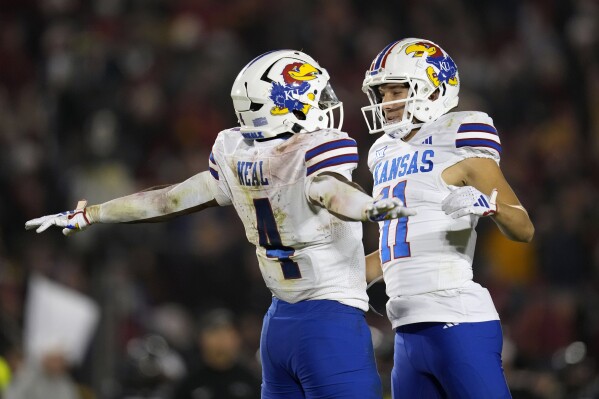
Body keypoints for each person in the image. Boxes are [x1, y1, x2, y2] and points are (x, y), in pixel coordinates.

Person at [25, 50, 416, 398]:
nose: (328, 104)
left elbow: (166, 200)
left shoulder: (238, 153)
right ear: (285, 105)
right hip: (329, 328)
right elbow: (328, 189)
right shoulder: (312, 152)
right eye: (317, 95)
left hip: (278, 326)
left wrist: (92, 213)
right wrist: (370, 207)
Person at [360, 38, 535, 398]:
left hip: (458, 321)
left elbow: (524, 228)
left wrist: (492, 207)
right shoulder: (382, 154)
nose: (387, 102)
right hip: (407, 330)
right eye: (382, 93)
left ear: (433, 88)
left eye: (397, 90)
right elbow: (396, 248)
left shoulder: (458, 138)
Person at [172, 308, 261, 399]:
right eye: (214, 332)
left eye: (227, 332)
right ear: (201, 339)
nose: (220, 339)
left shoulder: (252, 382)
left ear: (237, 339)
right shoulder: (189, 384)